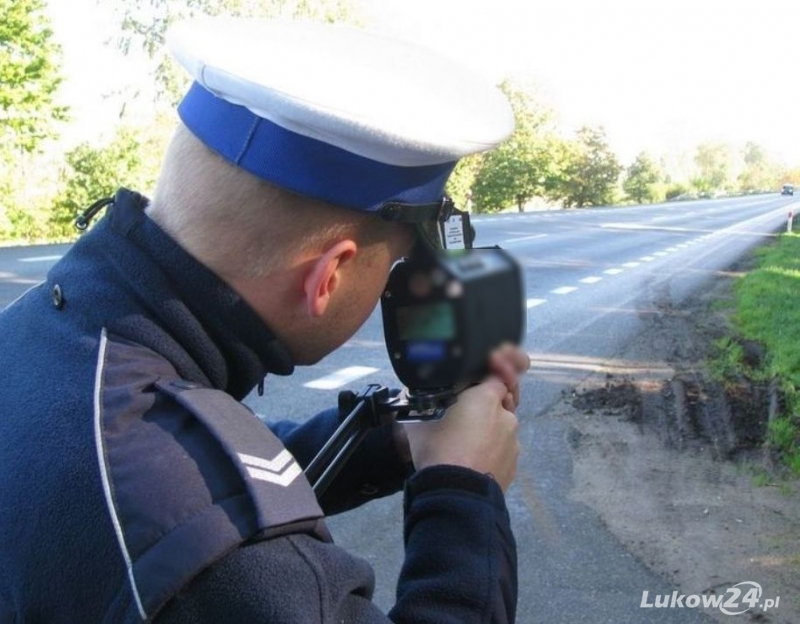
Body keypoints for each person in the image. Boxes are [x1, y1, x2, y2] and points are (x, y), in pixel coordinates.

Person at [0, 18, 529, 623]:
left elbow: (208, 462)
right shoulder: (229, 569)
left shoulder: (55, 329)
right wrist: (462, 490)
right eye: (397, 264)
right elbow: (203, 501)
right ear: (329, 277)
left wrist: (399, 442)